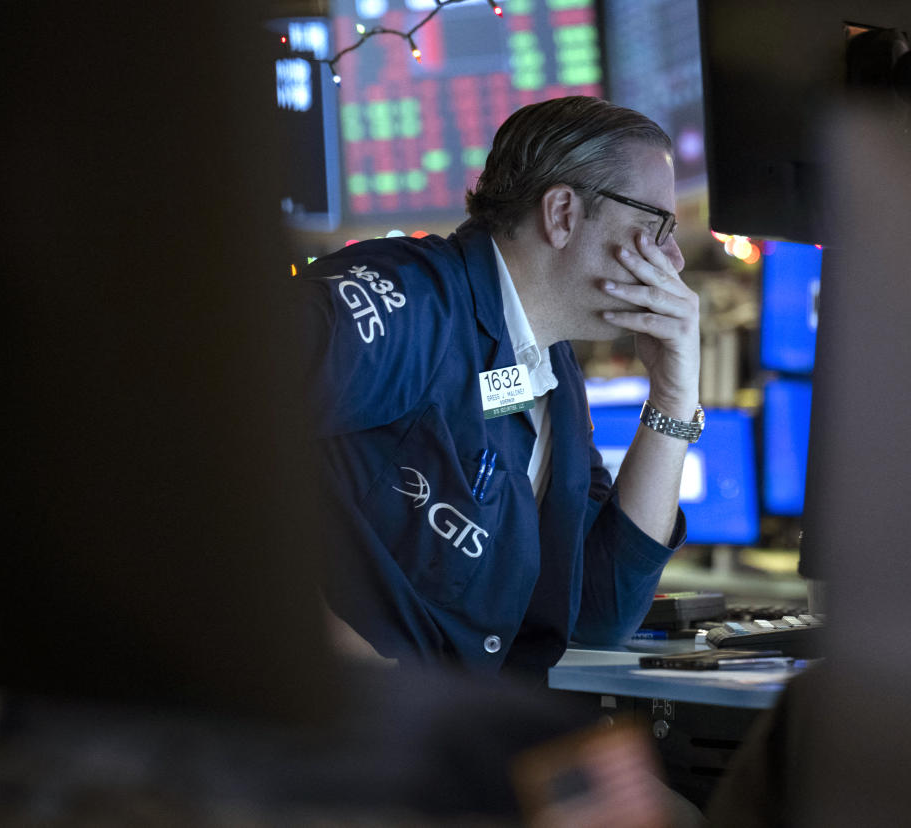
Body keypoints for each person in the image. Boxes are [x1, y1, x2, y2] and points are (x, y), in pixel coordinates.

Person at [298, 96, 702, 677]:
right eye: (656, 225)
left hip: (466, 737)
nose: (675, 258)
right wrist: (351, 682)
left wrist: (671, 398)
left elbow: (599, 610)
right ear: (562, 213)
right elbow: (196, 411)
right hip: (352, 745)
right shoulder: (411, 300)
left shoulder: (553, 373)